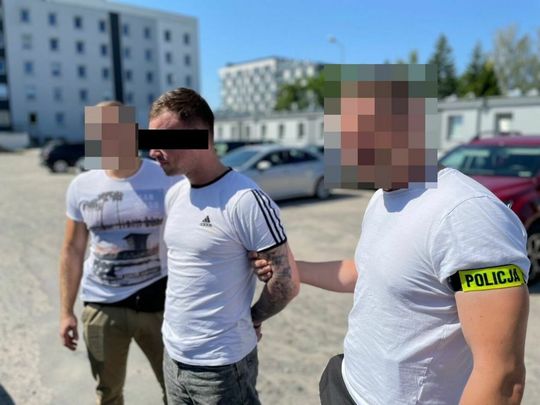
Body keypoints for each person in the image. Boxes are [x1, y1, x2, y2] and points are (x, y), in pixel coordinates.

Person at [253, 64, 530, 404]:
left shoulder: (467, 215)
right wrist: (292, 267)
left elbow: (502, 378)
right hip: (347, 385)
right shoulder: (383, 198)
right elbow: (367, 271)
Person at [148, 87, 300, 405]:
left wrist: (252, 318)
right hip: (173, 355)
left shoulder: (245, 200)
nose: (153, 152)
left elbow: (286, 283)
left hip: (221, 366)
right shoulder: (175, 194)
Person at [59, 100, 181, 404]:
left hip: (159, 302)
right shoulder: (82, 186)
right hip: (102, 306)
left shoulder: (167, 178)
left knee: (176, 389)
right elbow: (73, 250)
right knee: (108, 393)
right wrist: (66, 312)